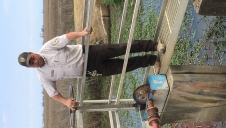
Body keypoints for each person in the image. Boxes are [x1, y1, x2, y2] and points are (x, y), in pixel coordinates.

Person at [18, 27, 165, 110]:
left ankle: (153, 46)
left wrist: (81, 34)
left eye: (33, 58)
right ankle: (151, 60)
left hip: (90, 52)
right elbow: (52, 93)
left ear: (33, 53)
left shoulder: (47, 48)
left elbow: (66, 37)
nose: (35, 61)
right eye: (31, 63)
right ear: (30, 67)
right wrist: (66, 102)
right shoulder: (43, 76)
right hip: (90, 71)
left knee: (123, 48)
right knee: (122, 67)